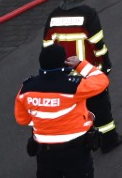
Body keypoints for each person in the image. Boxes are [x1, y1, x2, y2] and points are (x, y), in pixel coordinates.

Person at [42, 0, 122, 153]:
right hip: (86, 73)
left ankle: (75, 141)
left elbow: (47, 49)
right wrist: (105, 65)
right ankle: (108, 140)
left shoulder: (53, 16)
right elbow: (98, 45)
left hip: (62, 76)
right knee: (101, 108)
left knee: (70, 110)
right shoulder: (88, 14)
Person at [14, 43, 109, 178]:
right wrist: (79, 64)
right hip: (75, 152)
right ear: (63, 63)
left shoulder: (26, 89)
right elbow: (101, 80)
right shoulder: (74, 86)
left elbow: (22, 119)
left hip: (44, 154)